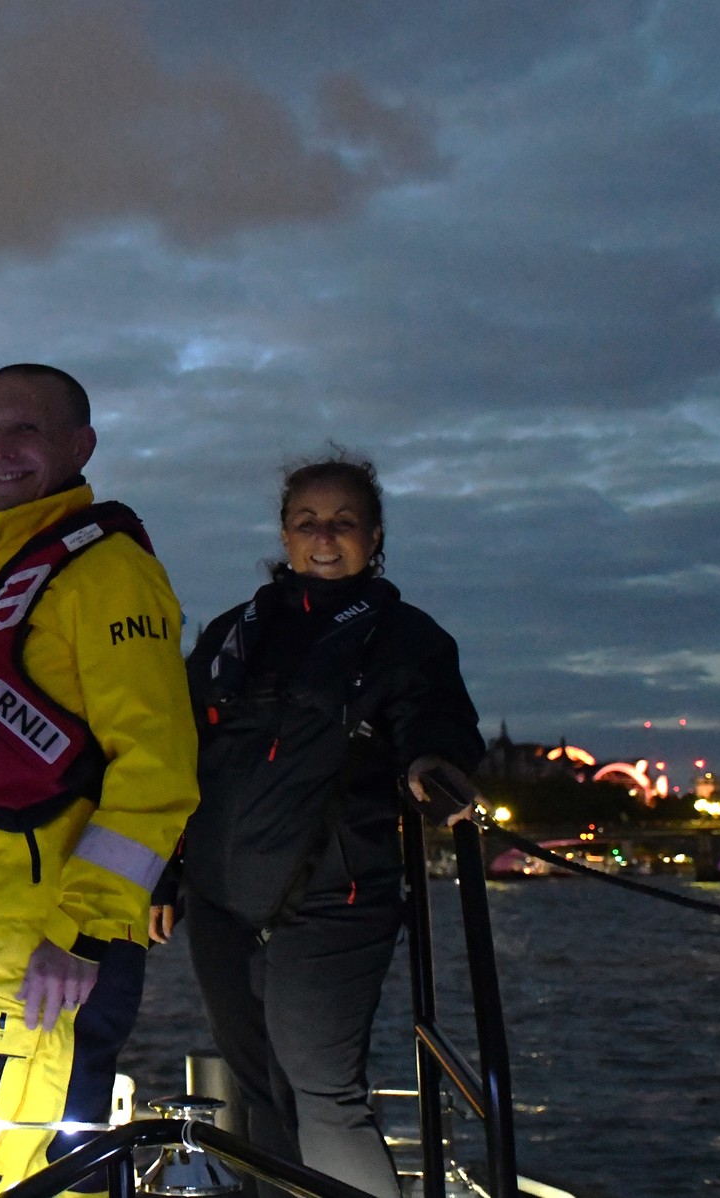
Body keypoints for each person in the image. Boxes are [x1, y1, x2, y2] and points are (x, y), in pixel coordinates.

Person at [0, 364, 201, 1197]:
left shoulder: (109, 573)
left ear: (80, 446)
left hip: (46, 956)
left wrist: (84, 932)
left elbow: (157, 769)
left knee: (25, 1179)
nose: (2, 450)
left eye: (27, 431)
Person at [153, 452, 484, 1198]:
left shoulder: (405, 638)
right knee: (259, 1090)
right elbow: (183, 754)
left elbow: (435, 720)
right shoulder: (234, 634)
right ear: (284, 534)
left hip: (334, 898)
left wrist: (433, 767)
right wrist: (168, 871)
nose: (324, 536)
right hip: (221, 900)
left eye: (343, 522)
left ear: (374, 536)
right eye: (307, 522)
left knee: (324, 1094)